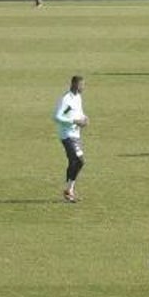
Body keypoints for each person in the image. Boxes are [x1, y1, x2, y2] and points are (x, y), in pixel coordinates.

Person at [53, 75, 89, 203]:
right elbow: (57, 117)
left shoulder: (78, 97)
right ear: (74, 84)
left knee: (74, 162)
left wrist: (84, 118)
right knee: (79, 160)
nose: (83, 87)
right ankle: (69, 190)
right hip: (67, 135)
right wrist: (74, 121)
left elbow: (78, 112)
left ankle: (69, 190)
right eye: (81, 85)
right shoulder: (65, 99)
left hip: (75, 135)